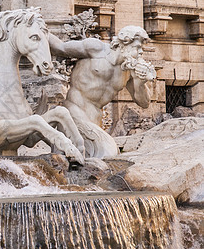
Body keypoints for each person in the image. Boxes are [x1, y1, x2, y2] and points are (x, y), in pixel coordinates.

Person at [49, 26, 156, 158]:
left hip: (96, 120)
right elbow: (60, 48)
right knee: (108, 152)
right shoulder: (96, 49)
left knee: (90, 159)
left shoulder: (128, 70)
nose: (140, 52)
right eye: (137, 47)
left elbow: (144, 103)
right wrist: (40, 30)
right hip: (74, 110)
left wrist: (140, 81)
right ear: (124, 43)